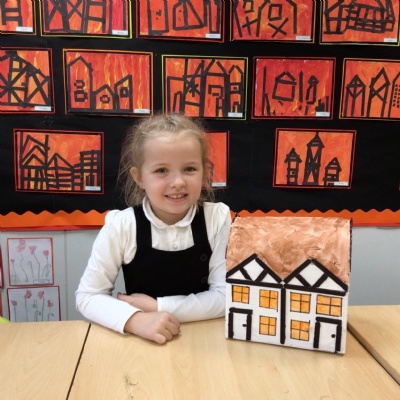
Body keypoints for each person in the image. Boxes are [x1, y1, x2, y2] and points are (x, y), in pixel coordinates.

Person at [76, 113, 231, 345]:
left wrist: (158, 307)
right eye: (161, 171)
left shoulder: (217, 219)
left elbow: (225, 297)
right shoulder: (122, 225)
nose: (177, 182)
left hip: (206, 341)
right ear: (139, 177)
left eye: (189, 168)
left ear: (204, 173)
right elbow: (88, 296)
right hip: (143, 342)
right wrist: (134, 320)